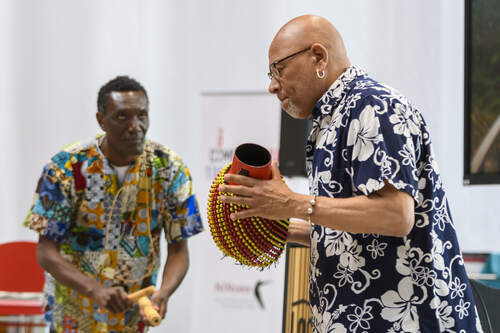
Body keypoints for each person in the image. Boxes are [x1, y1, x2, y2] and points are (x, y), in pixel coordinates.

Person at [218, 15, 483, 332]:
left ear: (318, 56)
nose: (272, 85)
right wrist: (283, 228)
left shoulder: (373, 105)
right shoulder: (330, 121)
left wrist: (291, 204)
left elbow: (396, 216)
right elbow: (358, 231)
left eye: (278, 69)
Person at [24, 76, 203, 333]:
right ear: (101, 120)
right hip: (73, 314)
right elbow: (46, 253)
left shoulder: (168, 168)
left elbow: (178, 250)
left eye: (142, 115)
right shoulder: (66, 167)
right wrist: (95, 289)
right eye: (122, 117)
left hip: (132, 317)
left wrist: (164, 292)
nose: (135, 126)